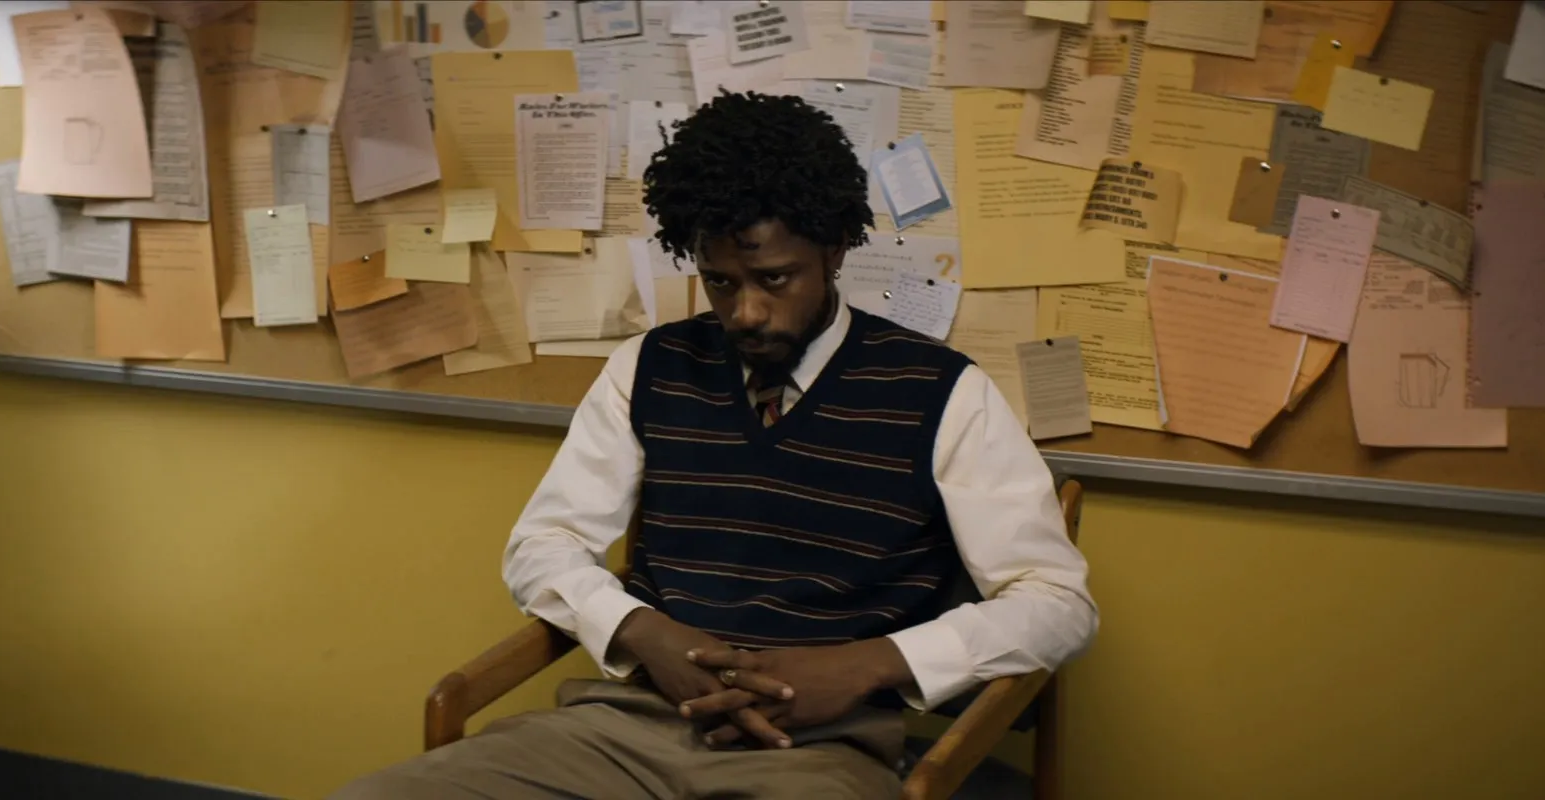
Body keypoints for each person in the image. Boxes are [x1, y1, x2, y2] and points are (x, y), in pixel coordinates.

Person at [332, 91, 1098, 799]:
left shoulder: (942, 392)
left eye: (775, 278)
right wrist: (641, 631)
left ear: (835, 250)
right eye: (721, 282)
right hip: (623, 731)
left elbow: (1057, 603)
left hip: (817, 749)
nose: (747, 312)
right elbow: (542, 545)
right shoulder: (649, 367)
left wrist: (866, 665)